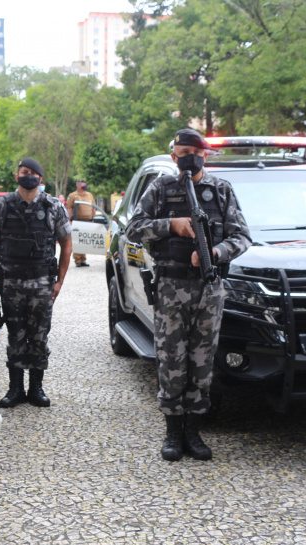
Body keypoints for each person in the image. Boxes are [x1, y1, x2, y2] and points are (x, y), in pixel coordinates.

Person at [126, 129, 251, 461]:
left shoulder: (221, 190)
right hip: (170, 287)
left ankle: (194, 432)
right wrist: (171, 225)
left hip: (209, 289)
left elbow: (242, 236)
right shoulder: (161, 188)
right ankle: (172, 432)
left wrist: (216, 252)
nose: (190, 158)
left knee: (202, 362)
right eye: (183, 153)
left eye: (196, 152)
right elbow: (134, 228)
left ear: (205, 155)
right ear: (174, 156)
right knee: (171, 360)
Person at [0, 157, 72, 408]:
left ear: (40, 179)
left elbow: (67, 245)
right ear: (17, 176)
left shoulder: (53, 207)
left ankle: (36, 388)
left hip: (42, 283)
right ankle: (15, 389)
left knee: (40, 336)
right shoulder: (1, 206)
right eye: (24, 172)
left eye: (33, 173)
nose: (28, 176)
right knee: (15, 335)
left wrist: (59, 281)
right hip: (11, 283)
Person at [66, 179, 96, 267]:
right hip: (77, 221)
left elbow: (94, 207)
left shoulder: (89, 195)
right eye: (83, 185)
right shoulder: (72, 195)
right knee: (77, 240)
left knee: (84, 241)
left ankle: (83, 259)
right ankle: (78, 260)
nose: (85, 186)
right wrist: (68, 219)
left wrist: (94, 217)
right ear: (78, 186)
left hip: (88, 221)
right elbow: (68, 207)